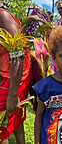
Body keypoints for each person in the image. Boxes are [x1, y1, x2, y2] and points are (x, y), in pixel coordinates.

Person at [0, 7, 35, 143]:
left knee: (4, 116)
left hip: (17, 75)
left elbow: (18, 58)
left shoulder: (3, 17)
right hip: (7, 73)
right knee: (14, 113)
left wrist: (13, 94)